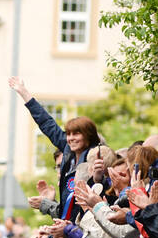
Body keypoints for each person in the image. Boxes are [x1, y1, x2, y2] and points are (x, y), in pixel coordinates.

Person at [9, 76, 99, 224]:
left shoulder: (96, 156)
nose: (71, 138)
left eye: (76, 133)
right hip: (69, 224)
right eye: (68, 134)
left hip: (87, 225)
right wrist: (24, 93)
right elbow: (46, 122)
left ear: (88, 135)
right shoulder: (67, 150)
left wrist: (99, 176)